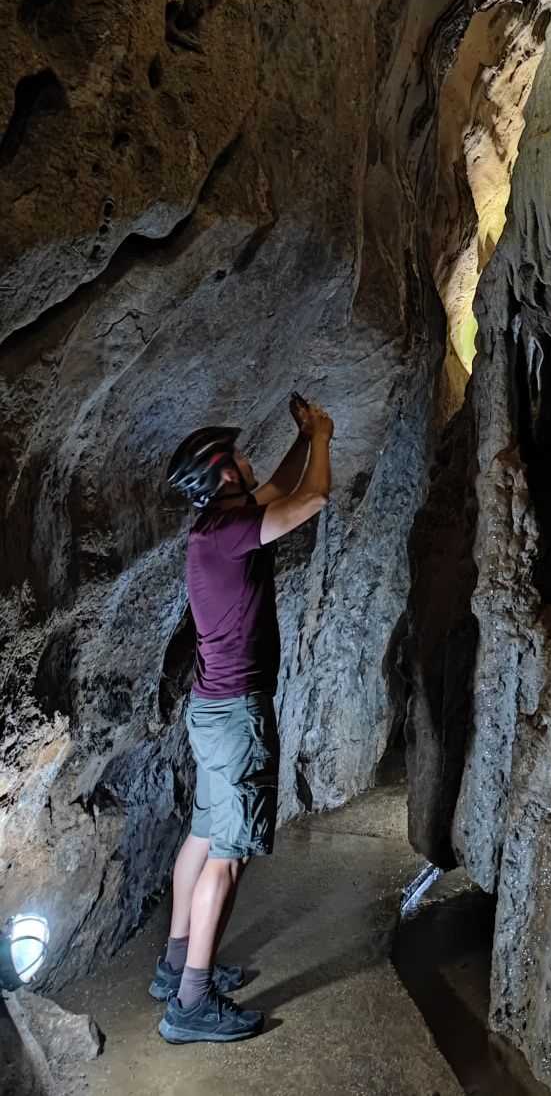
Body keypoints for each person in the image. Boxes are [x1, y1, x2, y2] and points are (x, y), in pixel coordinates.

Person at [153, 392, 333, 1044]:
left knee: (201, 837)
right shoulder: (230, 530)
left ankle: (176, 968)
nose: (251, 458)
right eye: (241, 454)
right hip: (235, 720)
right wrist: (325, 439)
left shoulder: (218, 523)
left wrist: (303, 436)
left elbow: (283, 488)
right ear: (226, 470)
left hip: (213, 712)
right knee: (227, 858)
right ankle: (190, 1005)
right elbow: (310, 500)